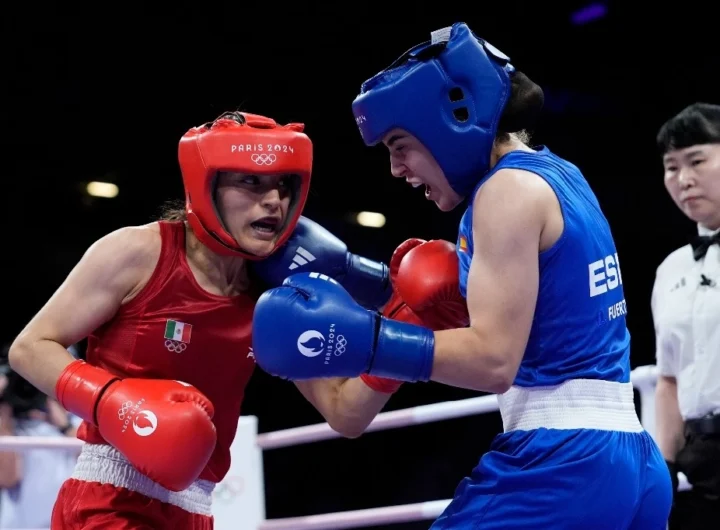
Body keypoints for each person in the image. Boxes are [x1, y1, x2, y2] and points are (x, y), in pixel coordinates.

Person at [251, 22, 673, 528]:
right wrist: (364, 282)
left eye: (400, 144)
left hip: (562, 463)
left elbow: (494, 360)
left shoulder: (505, 193)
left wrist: (362, 337)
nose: (397, 168)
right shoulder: (560, 176)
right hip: (631, 460)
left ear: (452, 118)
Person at [8, 110, 468, 529]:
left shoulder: (277, 295)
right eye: (251, 182)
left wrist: (403, 326)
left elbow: (345, 413)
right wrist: (113, 401)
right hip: (108, 501)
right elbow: (30, 348)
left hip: (198, 512)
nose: (273, 201)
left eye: (284, 186)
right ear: (206, 185)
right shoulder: (139, 252)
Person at [652, 102, 720, 530]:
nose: (684, 179)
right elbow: (669, 378)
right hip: (701, 463)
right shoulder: (670, 269)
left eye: (696, 161)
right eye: (671, 167)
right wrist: (663, 467)